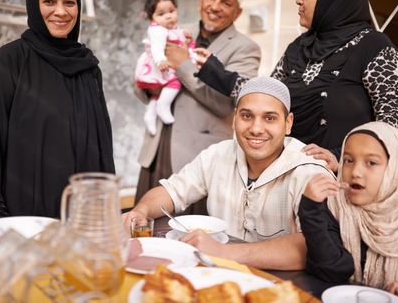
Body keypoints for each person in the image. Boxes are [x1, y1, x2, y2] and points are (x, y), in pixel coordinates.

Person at [195, 0, 398, 172]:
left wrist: (343, 158)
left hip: (341, 183)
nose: (299, 0)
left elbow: (394, 125)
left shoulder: (374, 47)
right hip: (289, 175)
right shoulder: (299, 48)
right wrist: (213, 70)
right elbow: (268, 96)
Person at [125, 77, 334, 270]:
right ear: (234, 120)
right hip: (218, 274)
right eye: (246, 116)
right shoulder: (218, 154)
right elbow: (172, 191)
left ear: (288, 123)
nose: (256, 128)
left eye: (269, 118)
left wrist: (223, 252)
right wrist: (141, 211)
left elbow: (314, 247)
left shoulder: (310, 171)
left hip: (282, 286)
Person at [0, 0, 115, 223]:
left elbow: (102, 147)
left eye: (69, 2)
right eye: (49, 1)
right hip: (24, 219)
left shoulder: (89, 68)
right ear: (34, 6)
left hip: (82, 220)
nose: (61, 11)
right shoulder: (11, 60)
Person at [134, 0, 261, 211]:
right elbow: (145, 77)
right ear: (200, 1)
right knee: (145, 227)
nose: (215, 6)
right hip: (158, 146)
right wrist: (146, 82)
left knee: (188, 236)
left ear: (238, 12)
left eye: (226, 2)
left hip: (198, 158)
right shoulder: (175, 29)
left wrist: (183, 65)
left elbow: (228, 104)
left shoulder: (246, 49)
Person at [299, 122, 398, 303]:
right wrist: (310, 210)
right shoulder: (334, 208)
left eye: (371, 163)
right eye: (348, 160)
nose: (355, 172)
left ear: (397, 168)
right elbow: (333, 270)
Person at [135, 0, 194, 136]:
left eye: (171, 11)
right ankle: (162, 106)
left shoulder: (172, 28)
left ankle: (150, 114)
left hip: (162, 67)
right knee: (175, 82)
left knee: (159, 91)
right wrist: (161, 60)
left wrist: (186, 37)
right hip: (160, 65)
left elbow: (182, 44)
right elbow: (157, 47)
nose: (168, 16)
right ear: (152, 18)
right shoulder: (157, 30)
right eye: (161, 14)